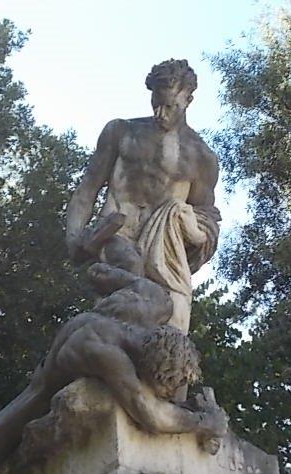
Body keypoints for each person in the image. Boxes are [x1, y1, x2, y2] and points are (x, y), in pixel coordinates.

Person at [0, 263, 227, 474]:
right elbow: (149, 414)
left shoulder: (156, 300)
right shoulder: (106, 353)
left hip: (80, 337)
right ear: (146, 369)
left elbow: (98, 272)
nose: (169, 395)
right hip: (40, 392)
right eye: (167, 388)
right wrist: (205, 422)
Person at [66, 59, 221, 334]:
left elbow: (206, 217)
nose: (160, 113)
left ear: (188, 100)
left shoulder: (201, 157)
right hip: (117, 233)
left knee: (170, 327)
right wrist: (74, 236)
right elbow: (87, 190)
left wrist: (190, 227)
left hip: (165, 252)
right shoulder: (121, 132)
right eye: (155, 103)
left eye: (169, 106)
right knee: (127, 282)